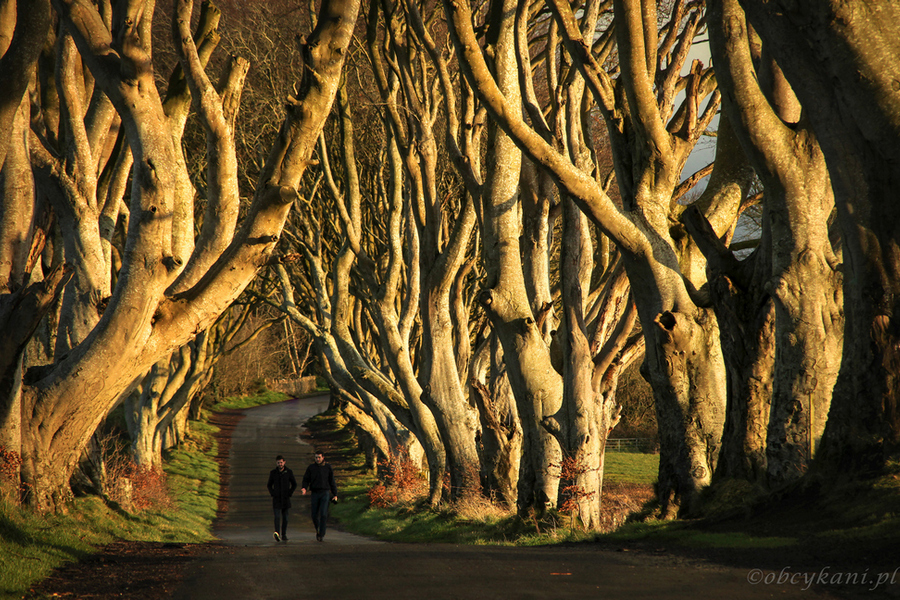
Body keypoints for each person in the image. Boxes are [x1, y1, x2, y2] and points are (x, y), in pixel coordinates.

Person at [300, 450, 338, 541]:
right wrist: (304, 488)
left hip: (325, 492)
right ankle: (317, 529)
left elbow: (332, 481)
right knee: (314, 515)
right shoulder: (311, 468)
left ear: (323, 457)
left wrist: (335, 494)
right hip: (315, 493)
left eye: (319, 457)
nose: (317, 459)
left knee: (323, 514)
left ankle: (321, 533)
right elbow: (306, 479)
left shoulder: (328, 467)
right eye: (316, 457)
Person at [267, 455, 297, 542]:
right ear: (276, 463)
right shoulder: (273, 473)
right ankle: (277, 533)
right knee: (277, 517)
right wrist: (273, 493)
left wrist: (290, 493)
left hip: (285, 498)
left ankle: (284, 534)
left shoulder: (288, 472)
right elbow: (269, 485)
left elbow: (294, 484)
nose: (280, 464)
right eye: (278, 463)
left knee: (285, 518)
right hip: (276, 498)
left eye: (281, 462)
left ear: (284, 462)